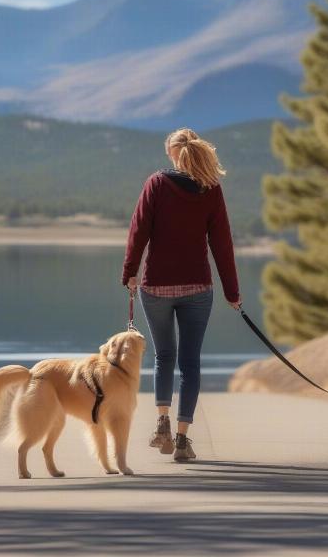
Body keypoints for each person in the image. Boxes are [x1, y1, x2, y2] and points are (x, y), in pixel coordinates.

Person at [121, 127, 241, 461]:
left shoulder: (157, 184)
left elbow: (139, 229)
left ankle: (161, 421)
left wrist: (130, 272)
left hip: (156, 286)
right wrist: (232, 292)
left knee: (164, 357)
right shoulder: (211, 189)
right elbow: (222, 245)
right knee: (190, 364)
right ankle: (183, 440)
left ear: (172, 153)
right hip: (197, 289)